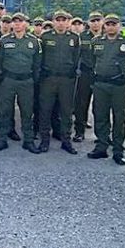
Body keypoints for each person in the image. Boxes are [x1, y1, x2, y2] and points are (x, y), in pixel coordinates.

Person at [86, 14, 125, 165]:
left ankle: (118, 150)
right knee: (100, 115)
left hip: (119, 86)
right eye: (108, 24)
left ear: (119, 25)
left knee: (119, 118)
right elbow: (91, 61)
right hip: (100, 85)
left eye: (114, 24)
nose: (111, 26)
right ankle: (101, 146)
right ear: (104, 25)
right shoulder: (96, 41)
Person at [0, 13, 42, 153]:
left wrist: (33, 79)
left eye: (20, 21)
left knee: (27, 112)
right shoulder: (3, 41)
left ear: (26, 24)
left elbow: (38, 63)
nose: (17, 24)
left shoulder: (34, 42)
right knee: (5, 111)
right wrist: (4, 75)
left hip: (26, 81)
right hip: (9, 80)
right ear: (12, 24)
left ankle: (28, 140)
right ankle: (2, 139)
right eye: (15, 22)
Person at [37, 10, 80, 154]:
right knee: (45, 110)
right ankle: (44, 140)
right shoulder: (45, 36)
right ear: (54, 22)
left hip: (66, 80)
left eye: (64, 20)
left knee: (66, 112)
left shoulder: (74, 38)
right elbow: (40, 58)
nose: (61, 23)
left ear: (68, 22)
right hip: (48, 79)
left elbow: (76, 58)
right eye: (58, 20)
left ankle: (66, 141)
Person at [73, 12, 104, 142]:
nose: (95, 23)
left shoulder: (108, 36)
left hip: (102, 76)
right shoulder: (82, 37)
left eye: (98, 20)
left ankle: (102, 135)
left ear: (102, 21)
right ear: (88, 23)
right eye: (93, 21)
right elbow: (76, 55)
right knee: (81, 103)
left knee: (101, 106)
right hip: (85, 74)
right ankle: (79, 132)